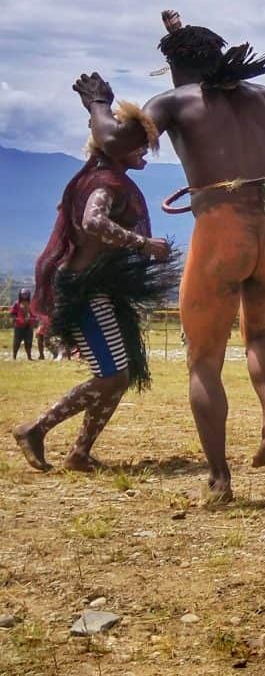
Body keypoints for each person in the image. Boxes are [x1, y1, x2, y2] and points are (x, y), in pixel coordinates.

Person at [75, 10, 265, 501]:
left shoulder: (176, 100)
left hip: (223, 222)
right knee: (260, 332)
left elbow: (115, 139)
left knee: (204, 358)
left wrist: (97, 103)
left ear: (177, 67)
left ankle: (220, 478)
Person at [13, 133, 177, 472]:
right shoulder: (105, 183)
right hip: (84, 292)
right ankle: (36, 428)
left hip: (97, 289)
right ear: (117, 148)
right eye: (139, 142)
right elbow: (93, 221)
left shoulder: (109, 179)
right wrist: (143, 244)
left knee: (119, 373)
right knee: (113, 376)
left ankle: (80, 453)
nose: (146, 149)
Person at [10, 289, 35, 360]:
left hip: (29, 326)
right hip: (19, 326)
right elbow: (12, 314)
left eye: (26, 294)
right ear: (20, 294)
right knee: (17, 341)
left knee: (29, 342)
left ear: (28, 295)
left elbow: (34, 314)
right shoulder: (16, 304)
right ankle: (14, 356)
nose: (24, 296)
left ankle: (29, 357)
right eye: (23, 294)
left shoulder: (31, 304)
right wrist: (17, 319)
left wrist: (32, 319)